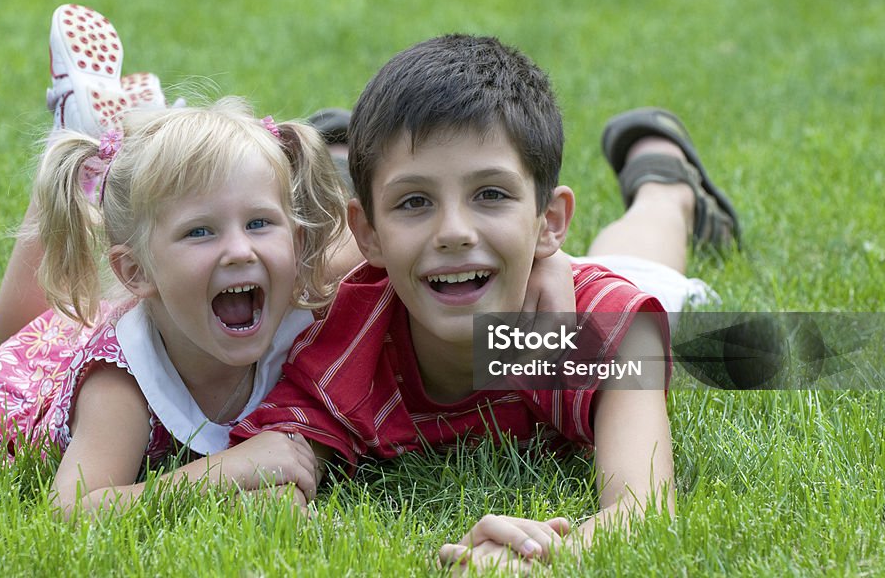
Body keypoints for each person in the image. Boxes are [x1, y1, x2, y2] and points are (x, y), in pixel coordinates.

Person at [229, 34, 740, 572]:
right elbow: (272, 485)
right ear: (368, 234)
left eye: (490, 193)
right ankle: (341, 154)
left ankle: (664, 177)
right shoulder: (346, 338)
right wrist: (430, 558)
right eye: (415, 201)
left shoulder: (607, 327)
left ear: (551, 221)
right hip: (479, 264)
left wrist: (534, 558)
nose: (453, 231)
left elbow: (643, 513)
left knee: (642, 261)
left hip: (573, 287)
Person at [0, 95, 348, 518]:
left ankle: (129, 127)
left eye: (260, 222)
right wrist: (225, 470)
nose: (241, 250)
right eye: (200, 231)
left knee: (70, 316)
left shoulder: (294, 316)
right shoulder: (121, 385)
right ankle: (78, 130)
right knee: (14, 333)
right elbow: (73, 509)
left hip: (134, 318)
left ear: (298, 241)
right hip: (36, 375)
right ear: (136, 272)